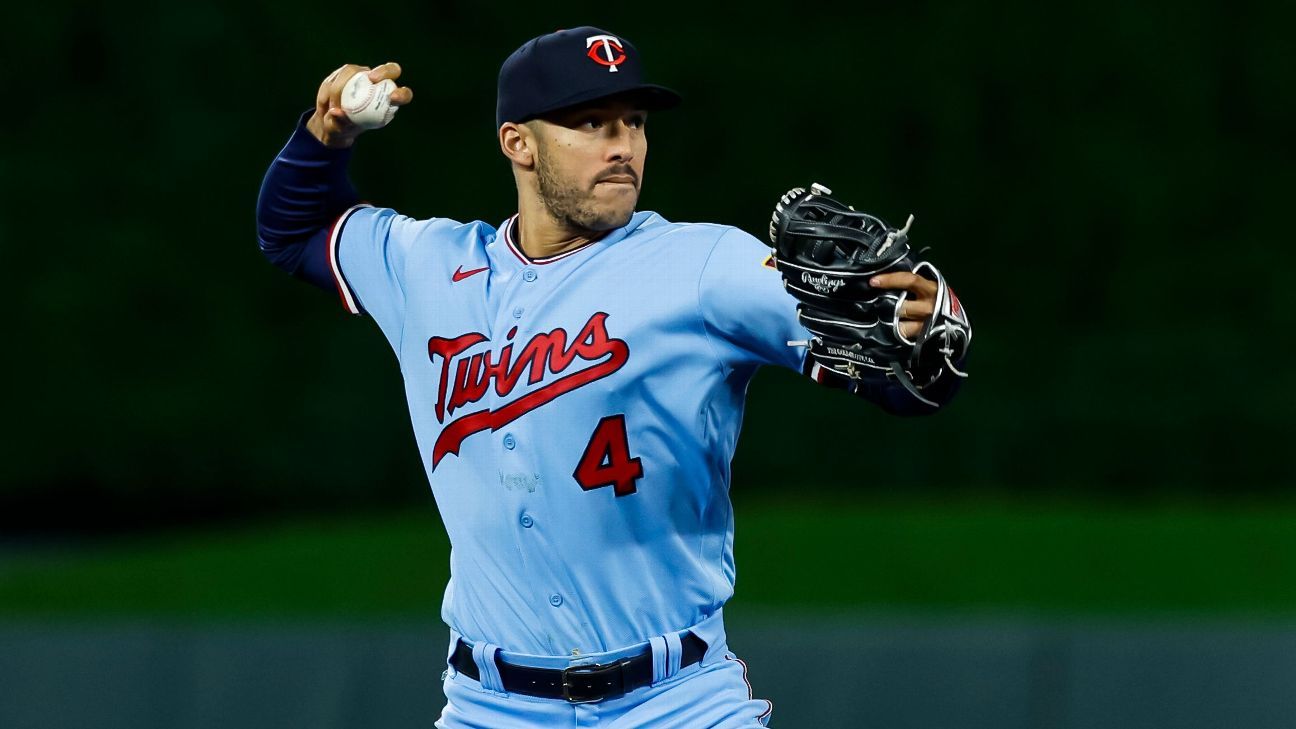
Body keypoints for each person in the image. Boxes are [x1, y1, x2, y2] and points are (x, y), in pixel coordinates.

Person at [256, 26, 965, 728]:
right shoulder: (428, 266)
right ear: (519, 143)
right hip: (487, 707)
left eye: (633, 122)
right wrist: (326, 132)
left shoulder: (703, 266)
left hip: (676, 702)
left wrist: (922, 332)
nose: (622, 145)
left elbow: (893, 368)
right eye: (590, 122)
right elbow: (291, 229)